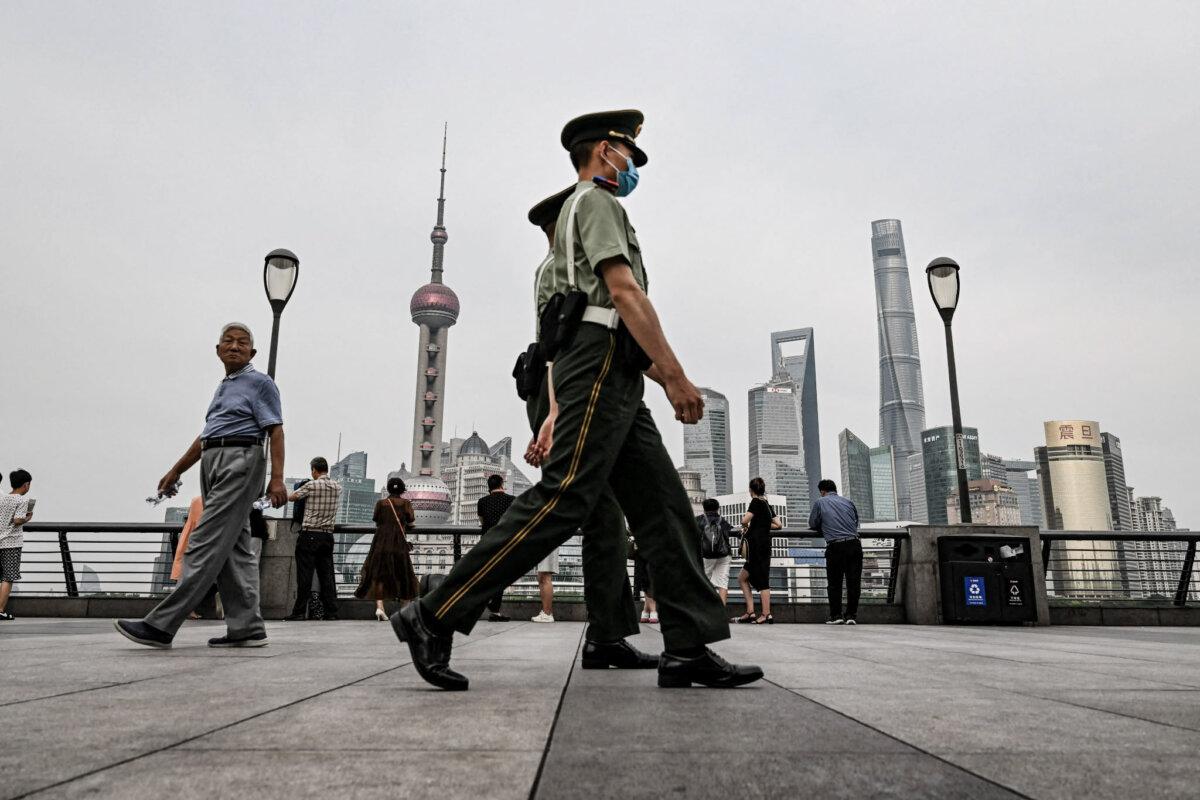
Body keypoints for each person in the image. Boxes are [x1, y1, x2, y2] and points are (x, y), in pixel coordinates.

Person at [391, 109, 762, 691]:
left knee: (664, 506)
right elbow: (622, 292)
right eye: (628, 154)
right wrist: (674, 376)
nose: (634, 165)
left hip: (617, 371)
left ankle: (688, 646)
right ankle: (434, 612)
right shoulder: (596, 202)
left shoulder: (588, 211)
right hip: (602, 359)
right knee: (564, 495)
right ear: (602, 151)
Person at [520, 187, 655, 665]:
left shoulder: (570, 268)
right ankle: (441, 610)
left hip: (577, 388)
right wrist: (555, 417)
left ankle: (608, 635)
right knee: (579, 504)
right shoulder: (554, 273)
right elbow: (557, 352)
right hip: (561, 392)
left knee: (605, 516)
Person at [115, 322, 286, 649]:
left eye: (242, 343)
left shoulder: (260, 383)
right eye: (228, 342)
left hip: (241, 458)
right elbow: (207, 434)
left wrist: (277, 478)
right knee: (235, 550)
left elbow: (276, 430)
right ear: (218, 350)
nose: (234, 347)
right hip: (214, 458)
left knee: (205, 540)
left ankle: (161, 624)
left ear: (252, 352)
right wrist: (176, 470)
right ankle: (247, 627)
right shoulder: (224, 386)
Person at [283, 457, 343, 621]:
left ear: (314, 470)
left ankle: (299, 612)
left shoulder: (311, 485)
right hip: (327, 536)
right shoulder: (337, 487)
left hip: (309, 534)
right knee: (327, 575)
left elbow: (292, 497)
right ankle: (331, 612)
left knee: (305, 575)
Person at [356, 477, 419, 621]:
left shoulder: (381, 503)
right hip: (398, 544)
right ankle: (404, 612)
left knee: (379, 576)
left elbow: (377, 520)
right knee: (404, 576)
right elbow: (411, 522)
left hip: (381, 543)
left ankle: (380, 608)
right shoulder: (406, 504)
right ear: (402, 489)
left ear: (389, 489)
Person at [810, 479, 863, 625]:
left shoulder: (820, 503)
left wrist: (825, 525)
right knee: (854, 583)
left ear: (822, 491)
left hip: (835, 546)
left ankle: (836, 616)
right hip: (854, 544)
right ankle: (851, 616)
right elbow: (855, 522)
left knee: (834, 583)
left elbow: (813, 523)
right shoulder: (848, 502)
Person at [735, 477, 782, 625]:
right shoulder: (766, 503)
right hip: (764, 545)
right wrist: (763, 526)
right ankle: (750, 612)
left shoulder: (755, 502)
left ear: (751, 490)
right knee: (742, 578)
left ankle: (766, 614)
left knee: (762, 581)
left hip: (756, 547)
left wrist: (752, 526)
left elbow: (744, 520)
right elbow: (778, 524)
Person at [170, 496, 219, 620]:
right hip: (201, 541)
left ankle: (184, 609)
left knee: (187, 575)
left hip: (192, 540)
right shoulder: (206, 500)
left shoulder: (198, 500)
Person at [475, 474, 514, 622]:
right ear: (502, 484)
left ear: (488, 487)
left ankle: (491, 606)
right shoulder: (511, 500)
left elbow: (482, 520)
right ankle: (493, 607)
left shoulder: (482, 501)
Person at [0, 469, 34, 621]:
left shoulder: (2, 498)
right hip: (11, 543)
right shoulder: (21, 500)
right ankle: (0, 610)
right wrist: (28, 518)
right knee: (8, 577)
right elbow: (17, 520)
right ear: (25, 485)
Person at [696, 498, 734, 604]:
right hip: (724, 554)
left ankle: (703, 611)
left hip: (706, 555)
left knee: (703, 582)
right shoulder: (722, 521)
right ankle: (721, 612)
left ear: (704, 509)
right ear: (718, 509)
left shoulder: (698, 520)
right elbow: (730, 530)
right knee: (723, 582)